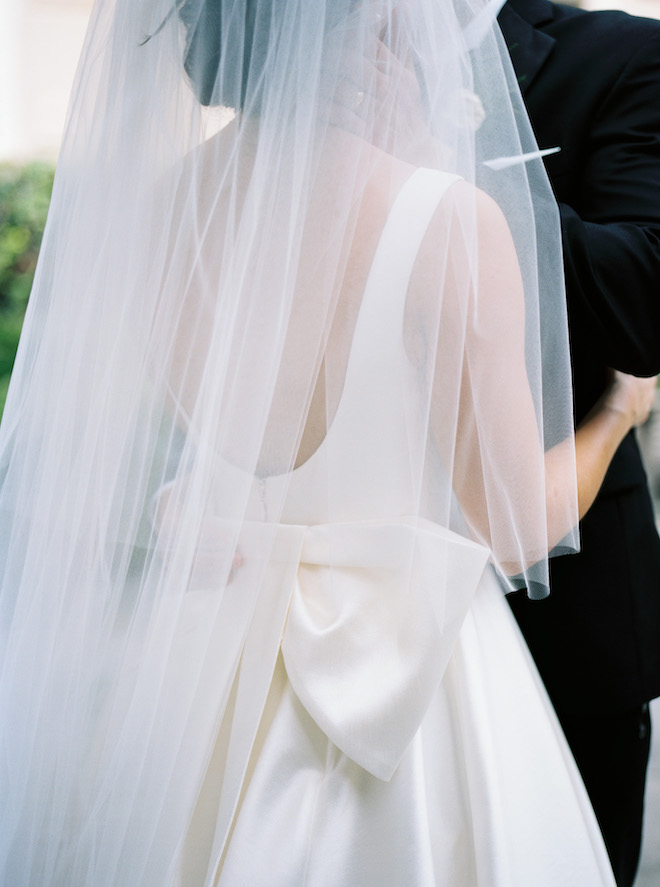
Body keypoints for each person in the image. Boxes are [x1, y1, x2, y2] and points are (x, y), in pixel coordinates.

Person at [0, 1, 654, 884]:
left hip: (208, 679)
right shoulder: (448, 220)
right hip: (413, 693)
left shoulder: (164, 213)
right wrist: (618, 415)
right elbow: (517, 531)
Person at [496, 2, 660, 884]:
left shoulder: (623, 56)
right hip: (334, 575)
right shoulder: (314, 51)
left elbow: (644, 302)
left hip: (568, 584)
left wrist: (459, 195)